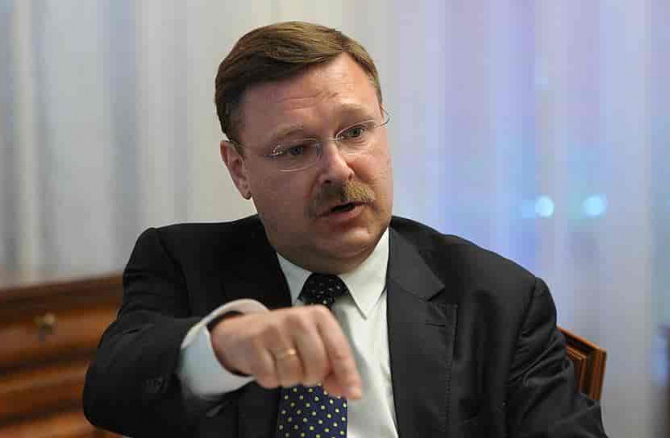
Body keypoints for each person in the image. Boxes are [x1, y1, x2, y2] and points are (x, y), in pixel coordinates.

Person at [83, 21, 607, 438]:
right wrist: (220, 349)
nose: (337, 169)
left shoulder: (497, 297)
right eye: (296, 148)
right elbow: (109, 392)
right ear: (239, 169)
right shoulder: (182, 262)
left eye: (355, 132)